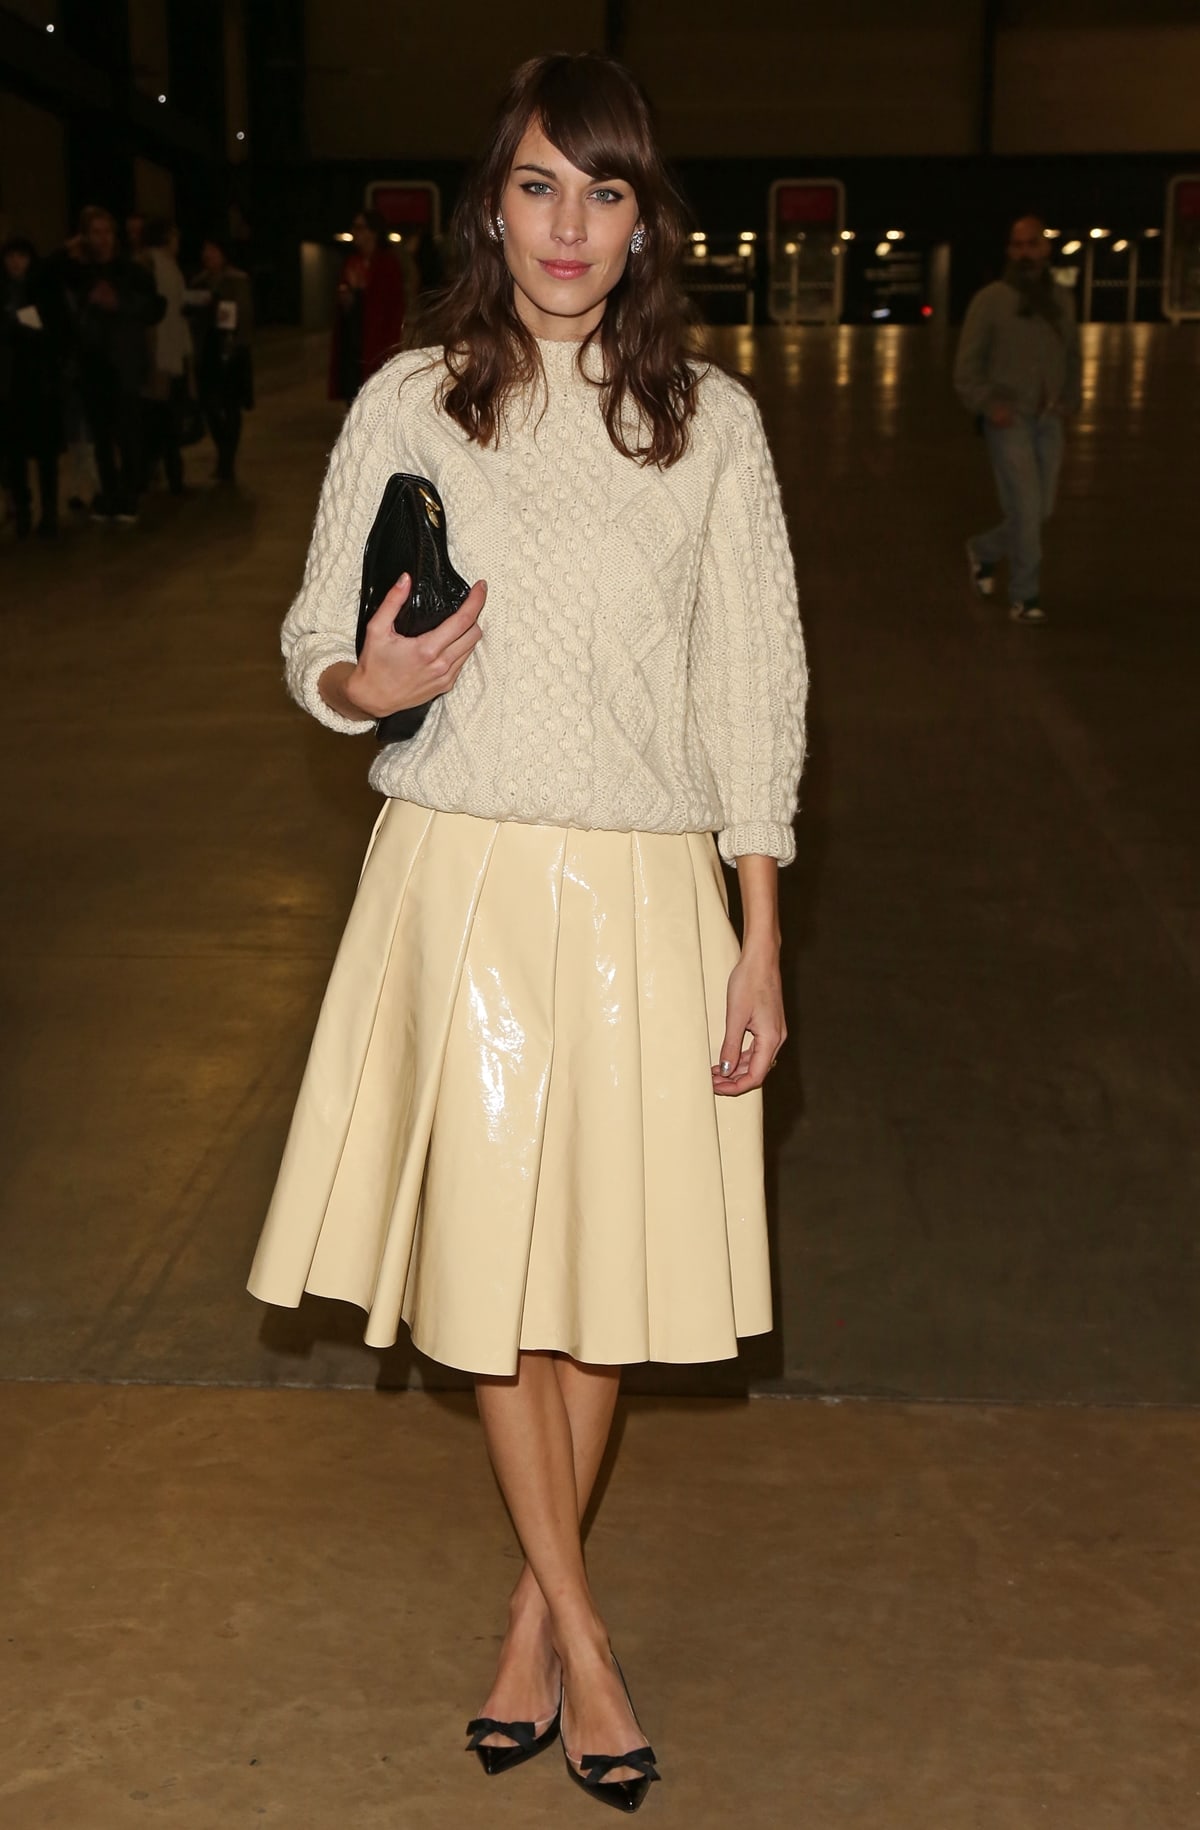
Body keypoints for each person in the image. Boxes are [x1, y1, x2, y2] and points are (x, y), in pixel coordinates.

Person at [247, 52, 807, 1812]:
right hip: (462, 876)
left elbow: (754, 688)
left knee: (597, 1289)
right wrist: (371, 676)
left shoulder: (708, 424)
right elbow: (309, 651)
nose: (572, 228)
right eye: (544, 186)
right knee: (498, 1288)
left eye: (610, 192)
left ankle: (525, 1630)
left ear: (648, 225)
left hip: (649, 886)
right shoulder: (414, 399)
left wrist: (761, 930)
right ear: (493, 202)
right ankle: (585, 1636)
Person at [955, 214, 1081, 625]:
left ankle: (984, 552)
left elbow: (1073, 356)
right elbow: (966, 368)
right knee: (1027, 507)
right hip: (1009, 421)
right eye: (1018, 245)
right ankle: (1025, 597)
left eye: (1034, 244)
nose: (1026, 253)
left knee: (1039, 511)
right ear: (1010, 251)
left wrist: (1070, 398)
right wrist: (990, 405)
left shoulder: (1061, 300)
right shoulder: (990, 300)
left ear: (1046, 249)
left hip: (1049, 421)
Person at [52, 206, 164, 525]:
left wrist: (119, 303)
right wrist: (66, 252)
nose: (101, 239)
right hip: (92, 366)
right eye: (94, 232)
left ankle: (129, 496)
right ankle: (110, 496)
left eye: (106, 232)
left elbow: (156, 308)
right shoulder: (78, 272)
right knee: (100, 436)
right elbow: (47, 281)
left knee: (127, 433)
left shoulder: (131, 271)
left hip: (124, 365)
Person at [0, 235, 65, 539]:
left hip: (39, 382)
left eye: (21, 256)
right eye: (11, 256)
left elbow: (58, 332)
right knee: (14, 455)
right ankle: (23, 512)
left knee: (45, 453)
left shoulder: (44, 291)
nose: (15, 262)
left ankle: (49, 512)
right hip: (9, 384)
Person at [186, 237, 254, 482]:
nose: (208, 255)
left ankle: (227, 461)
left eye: (213, 250)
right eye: (205, 250)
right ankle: (223, 454)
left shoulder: (236, 280)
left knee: (231, 406)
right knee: (210, 406)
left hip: (231, 349)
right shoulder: (199, 282)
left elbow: (243, 315)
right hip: (208, 350)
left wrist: (236, 345)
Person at [327, 207, 406, 404]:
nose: (355, 232)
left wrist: (363, 290)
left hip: (376, 342)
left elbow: (390, 305)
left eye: (360, 227)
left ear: (374, 232)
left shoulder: (387, 263)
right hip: (353, 341)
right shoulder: (353, 262)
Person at [140, 218, 192, 495]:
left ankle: (170, 474)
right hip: (160, 352)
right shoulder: (153, 264)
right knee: (161, 417)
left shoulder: (168, 266)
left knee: (167, 417)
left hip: (170, 351)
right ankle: (164, 473)